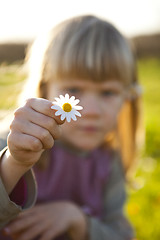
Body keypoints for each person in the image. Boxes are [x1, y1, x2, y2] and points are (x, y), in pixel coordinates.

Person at [0, 15, 142, 240]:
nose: (91, 110)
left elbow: (122, 235)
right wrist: (15, 163)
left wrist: (78, 221)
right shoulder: (12, 144)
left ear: (127, 97)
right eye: (74, 89)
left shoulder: (107, 163)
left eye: (108, 92)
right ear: (44, 90)